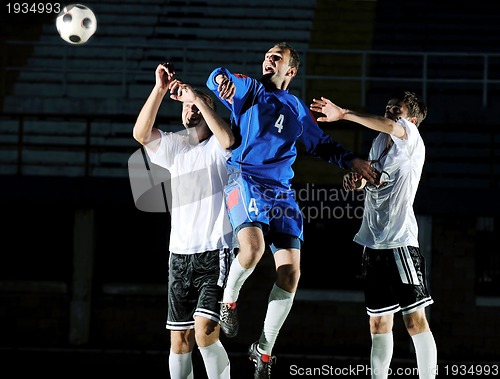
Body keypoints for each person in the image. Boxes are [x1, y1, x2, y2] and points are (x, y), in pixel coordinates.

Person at [206, 42, 378, 379]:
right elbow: (219, 78)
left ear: (291, 70)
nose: (268, 59)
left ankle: (263, 351)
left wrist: (353, 160)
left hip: (281, 193)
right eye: (267, 55)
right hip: (246, 180)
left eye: (277, 57)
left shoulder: (297, 108)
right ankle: (228, 302)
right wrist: (219, 81)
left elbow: (322, 144)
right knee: (253, 251)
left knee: (291, 274)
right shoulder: (250, 90)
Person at [310, 90, 437, 379]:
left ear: (412, 120)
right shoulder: (380, 142)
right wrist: (355, 182)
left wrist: (343, 114)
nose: (391, 112)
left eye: (398, 110)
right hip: (372, 242)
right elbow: (373, 181)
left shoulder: (410, 138)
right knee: (378, 324)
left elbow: (391, 125)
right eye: (389, 106)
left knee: (415, 321)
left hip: (400, 242)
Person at [133, 62, 236, 379]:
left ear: (208, 109)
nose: (190, 111)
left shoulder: (218, 146)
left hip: (214, 251)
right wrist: (160, 89)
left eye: (196, 105)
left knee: (206, 332)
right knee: (179, 340)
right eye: (187, 106)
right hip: (179, 254)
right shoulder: (176, 146)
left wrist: (200, 97)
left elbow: (229, 141)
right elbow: (140, 134)